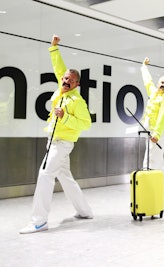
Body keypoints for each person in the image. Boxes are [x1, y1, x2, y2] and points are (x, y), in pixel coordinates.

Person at [19, 35, 93, 234]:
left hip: (63, 143)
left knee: (45, 174)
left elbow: (86, 123)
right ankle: (85, 211)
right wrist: (54, 48)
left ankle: (39, 220)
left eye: (70, 80)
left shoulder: (78, 101)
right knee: (65, 177)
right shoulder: (61, 90)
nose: (66, 80)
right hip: (52, 141)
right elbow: (59, 68)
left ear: (77, 84)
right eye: (65, 78)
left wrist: (65, 117)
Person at [140, 57, 164, 201]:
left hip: (159, 134)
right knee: (158, 162)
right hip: (151, 133)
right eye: (162, 82)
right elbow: (147, 81)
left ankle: (148, 190)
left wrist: (157, 134)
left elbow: (162, 118)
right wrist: (144, 66)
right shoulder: (153, 93)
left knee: (150, 161)